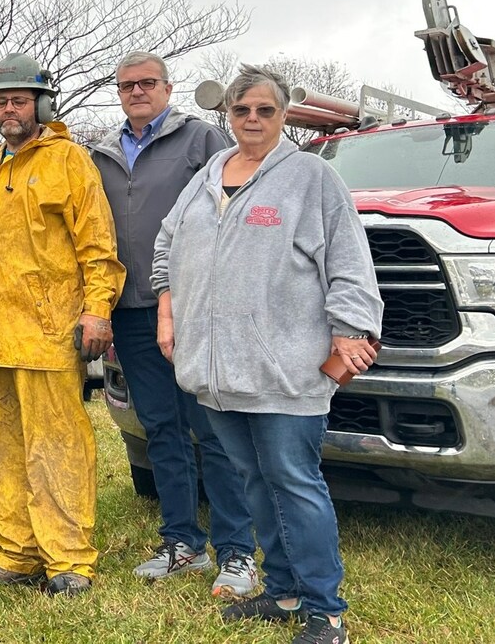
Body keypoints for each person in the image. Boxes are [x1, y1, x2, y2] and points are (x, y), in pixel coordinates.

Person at [153, 66, 383, 644]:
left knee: (293, 480)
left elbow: (349, 260)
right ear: (227, 115)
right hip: (217, 368)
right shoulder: (207, 175)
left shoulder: (311, 176)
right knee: (253, 479)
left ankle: (325, 611)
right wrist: (167, 310)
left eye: (264, 110)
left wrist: (351, 328)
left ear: (283, 116)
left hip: (286, 366)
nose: (252, 119)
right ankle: (282, 591)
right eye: (241, 110)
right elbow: (167, 242)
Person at [85, 52, 259, 597]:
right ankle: (182, 542)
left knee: (212, 427)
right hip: (129, 311)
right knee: (160, 426)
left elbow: (234, 211)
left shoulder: (201, 140)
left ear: (167, 87)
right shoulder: (101, 155)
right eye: (126, 85)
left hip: (192, 307)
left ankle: (236, 552)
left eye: (147, 83)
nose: (137, 92)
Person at [0, 52, 123, 597]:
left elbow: (97, 244)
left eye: (20, 101)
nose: (10, 110)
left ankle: (69, 558)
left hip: (49, 335)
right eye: (1, 102)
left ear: (42, 105)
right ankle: (15, 553)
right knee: (0, 447)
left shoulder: (69, 162)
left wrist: (97, 309)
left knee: (56, 446)